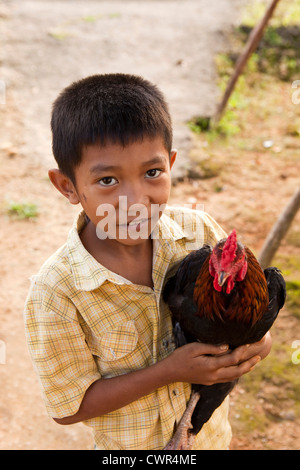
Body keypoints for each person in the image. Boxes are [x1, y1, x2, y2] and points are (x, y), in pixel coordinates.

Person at [24, 74, 271, 450]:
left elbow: (241, 312)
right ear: (67, 186)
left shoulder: (198, 232)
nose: (135, 200)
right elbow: (68, 407)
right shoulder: (56, 293)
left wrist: (256, 339)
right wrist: (168, 372)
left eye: (152, 173)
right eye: (108, 180)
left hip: (211, 442)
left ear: (171, 164)